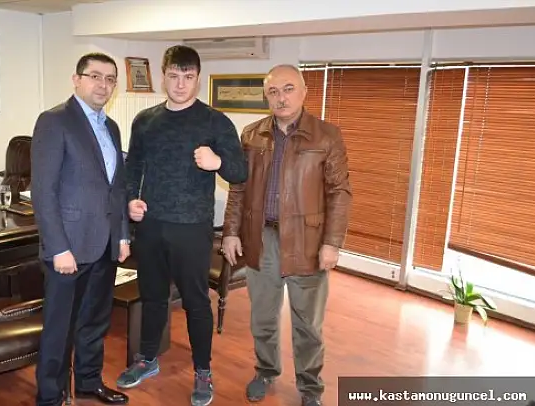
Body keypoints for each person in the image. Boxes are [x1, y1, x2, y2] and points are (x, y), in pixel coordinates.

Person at [116, 45, 248, 406]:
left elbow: (240, 171)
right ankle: (147, 358)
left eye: (188, 77)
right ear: (163, 76)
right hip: (151, 225)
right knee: (152, 296)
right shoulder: (146, 120)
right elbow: (133, 167)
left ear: (198, 79)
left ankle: (203, 371)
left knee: (195, 302)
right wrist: (130, 201)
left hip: (192, 227)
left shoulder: (214, 121)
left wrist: (217, 161)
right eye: (174, 76)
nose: (180, 84)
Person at [221, 64, 352, 406]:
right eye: (273, 91)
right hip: (261, 239)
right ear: (266, 97)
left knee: (308, 324)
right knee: (263, 316)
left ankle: (310, 387)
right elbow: (238, 188)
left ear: (304, 91)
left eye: (288, 89)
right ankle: (265, 370)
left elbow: (339, 193)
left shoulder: (326, 136)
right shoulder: (251, 135)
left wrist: (332, 243)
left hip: (308, 242)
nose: (281, 97)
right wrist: (231, 232)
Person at [32, 52, 131, 406]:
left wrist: (122, 234)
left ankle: (89, 382)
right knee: (59, 330)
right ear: (76, 80)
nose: (103, 84)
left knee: (94, 322)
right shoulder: (54, 121)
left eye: (110, 79)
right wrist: (58, 247)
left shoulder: (111, 127)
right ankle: (50, 396)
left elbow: (117, 187)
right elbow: (43, 191)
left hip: (104, 245)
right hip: (68, 249)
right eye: (95, 76)